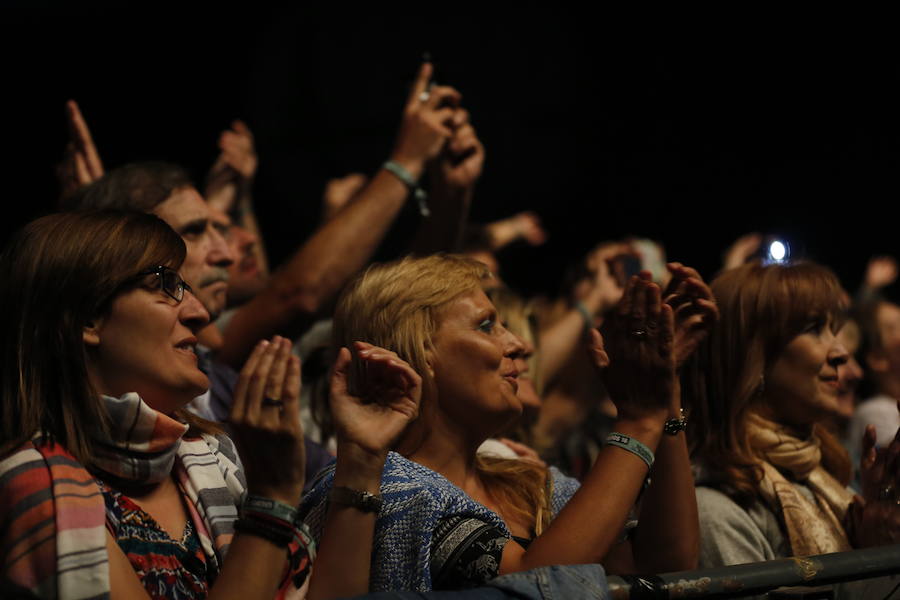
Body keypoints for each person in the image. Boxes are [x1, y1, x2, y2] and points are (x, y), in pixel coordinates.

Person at [0, 210, 416, 600]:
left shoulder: (204, 456)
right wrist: (271, 501)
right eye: (166, 285)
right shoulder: (34, 482)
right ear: (87, 317)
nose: (200, 314)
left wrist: (362, 458)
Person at [301, 254, 700, 593]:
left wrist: (666, 396)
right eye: (487, 325)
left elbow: (665, 564)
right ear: (419, 353)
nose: (520, 345)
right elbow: (539, 588)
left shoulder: (527, 483)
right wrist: (637, 422)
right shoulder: (379, 487)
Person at [684, 261, 900, 596]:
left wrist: (878, 531)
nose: (841, 353)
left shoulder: (820, 480)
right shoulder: (715, 510)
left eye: (834, 329)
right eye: (814, 328)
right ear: (751, 356)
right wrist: (872, 560)